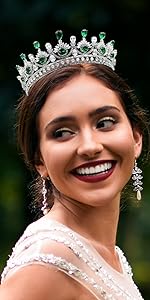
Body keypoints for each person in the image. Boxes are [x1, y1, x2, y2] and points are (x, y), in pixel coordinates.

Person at [0, 29, 149, 300]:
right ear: (38, 160)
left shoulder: (109, 255)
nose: (90, 146)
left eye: (105, 123)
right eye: (62, 132)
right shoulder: (44, 264)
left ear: (136, 137)